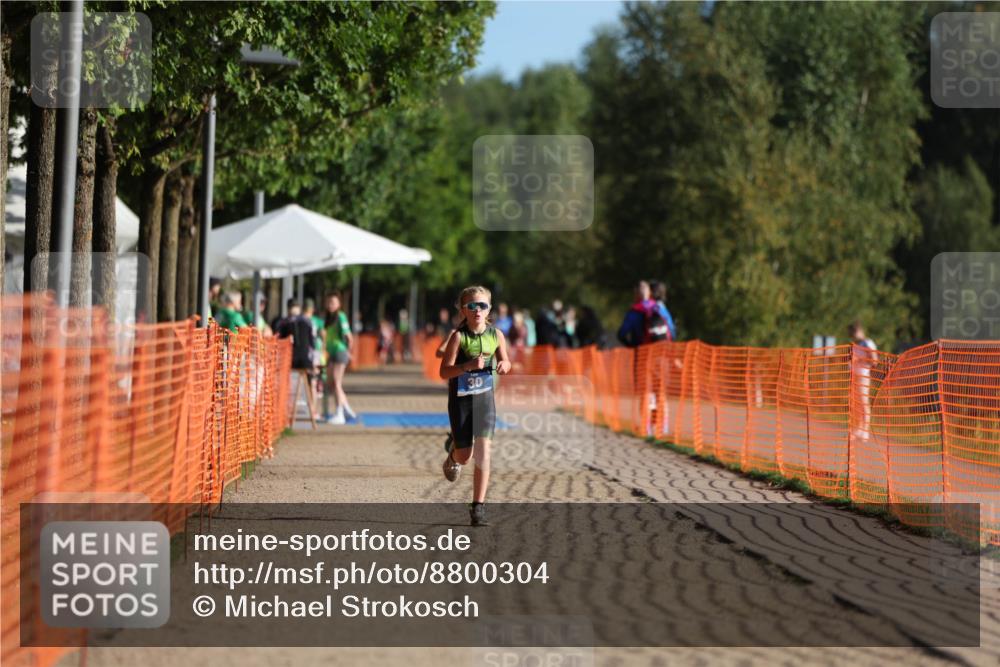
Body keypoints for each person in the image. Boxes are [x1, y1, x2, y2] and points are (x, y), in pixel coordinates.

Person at [439, 285, 512, 527]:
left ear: (489, 308)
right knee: (465, 455)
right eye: (472, 306)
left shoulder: (496, 335)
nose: (477, 310)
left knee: (484, 453)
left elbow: (506, 360)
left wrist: (505, 365)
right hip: (461, 401)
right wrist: (466, 366)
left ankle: (478, 506)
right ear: (464, 310)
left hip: (485, 401)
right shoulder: (458, 337)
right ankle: (453, 454)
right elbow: (443, 371)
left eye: (482, 305)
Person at [323, 293, 356, 425]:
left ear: (338, 304)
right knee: (332, 383)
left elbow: (349, 336)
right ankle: (347, 409)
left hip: (340, 352)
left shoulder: (340, 317)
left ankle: (339, 413)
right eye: (329, 302)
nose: (331, 305)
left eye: (333, 302)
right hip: (331, 353)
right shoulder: (328, 318)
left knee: (336, 383)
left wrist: (348, 352)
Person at [848, 320, 878, 442]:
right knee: (858, 404)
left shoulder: (867, 343)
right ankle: (859, 428)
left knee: (864, 403)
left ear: (859, 331)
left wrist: (860, 361)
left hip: (863, 376)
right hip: (855, 376)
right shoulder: (857, 344)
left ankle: (865, 430)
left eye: (854, 332)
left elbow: (874, 360)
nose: (853, 335)